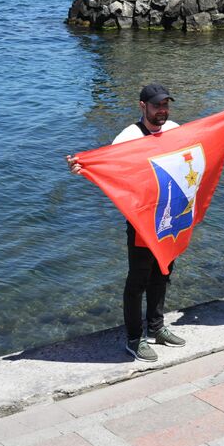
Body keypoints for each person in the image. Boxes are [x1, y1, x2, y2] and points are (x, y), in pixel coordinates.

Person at [66, 83, 186, 362]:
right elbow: (109, 167)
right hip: (142, 220)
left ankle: (157, 327)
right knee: (138, 280)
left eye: (165, 105)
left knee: (163, 273)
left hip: (170, 217)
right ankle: (134, 338)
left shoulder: (175, 129)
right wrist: (82, 167)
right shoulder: (128, 137)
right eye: (157, 105)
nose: (162, 111)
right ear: (142, 106)